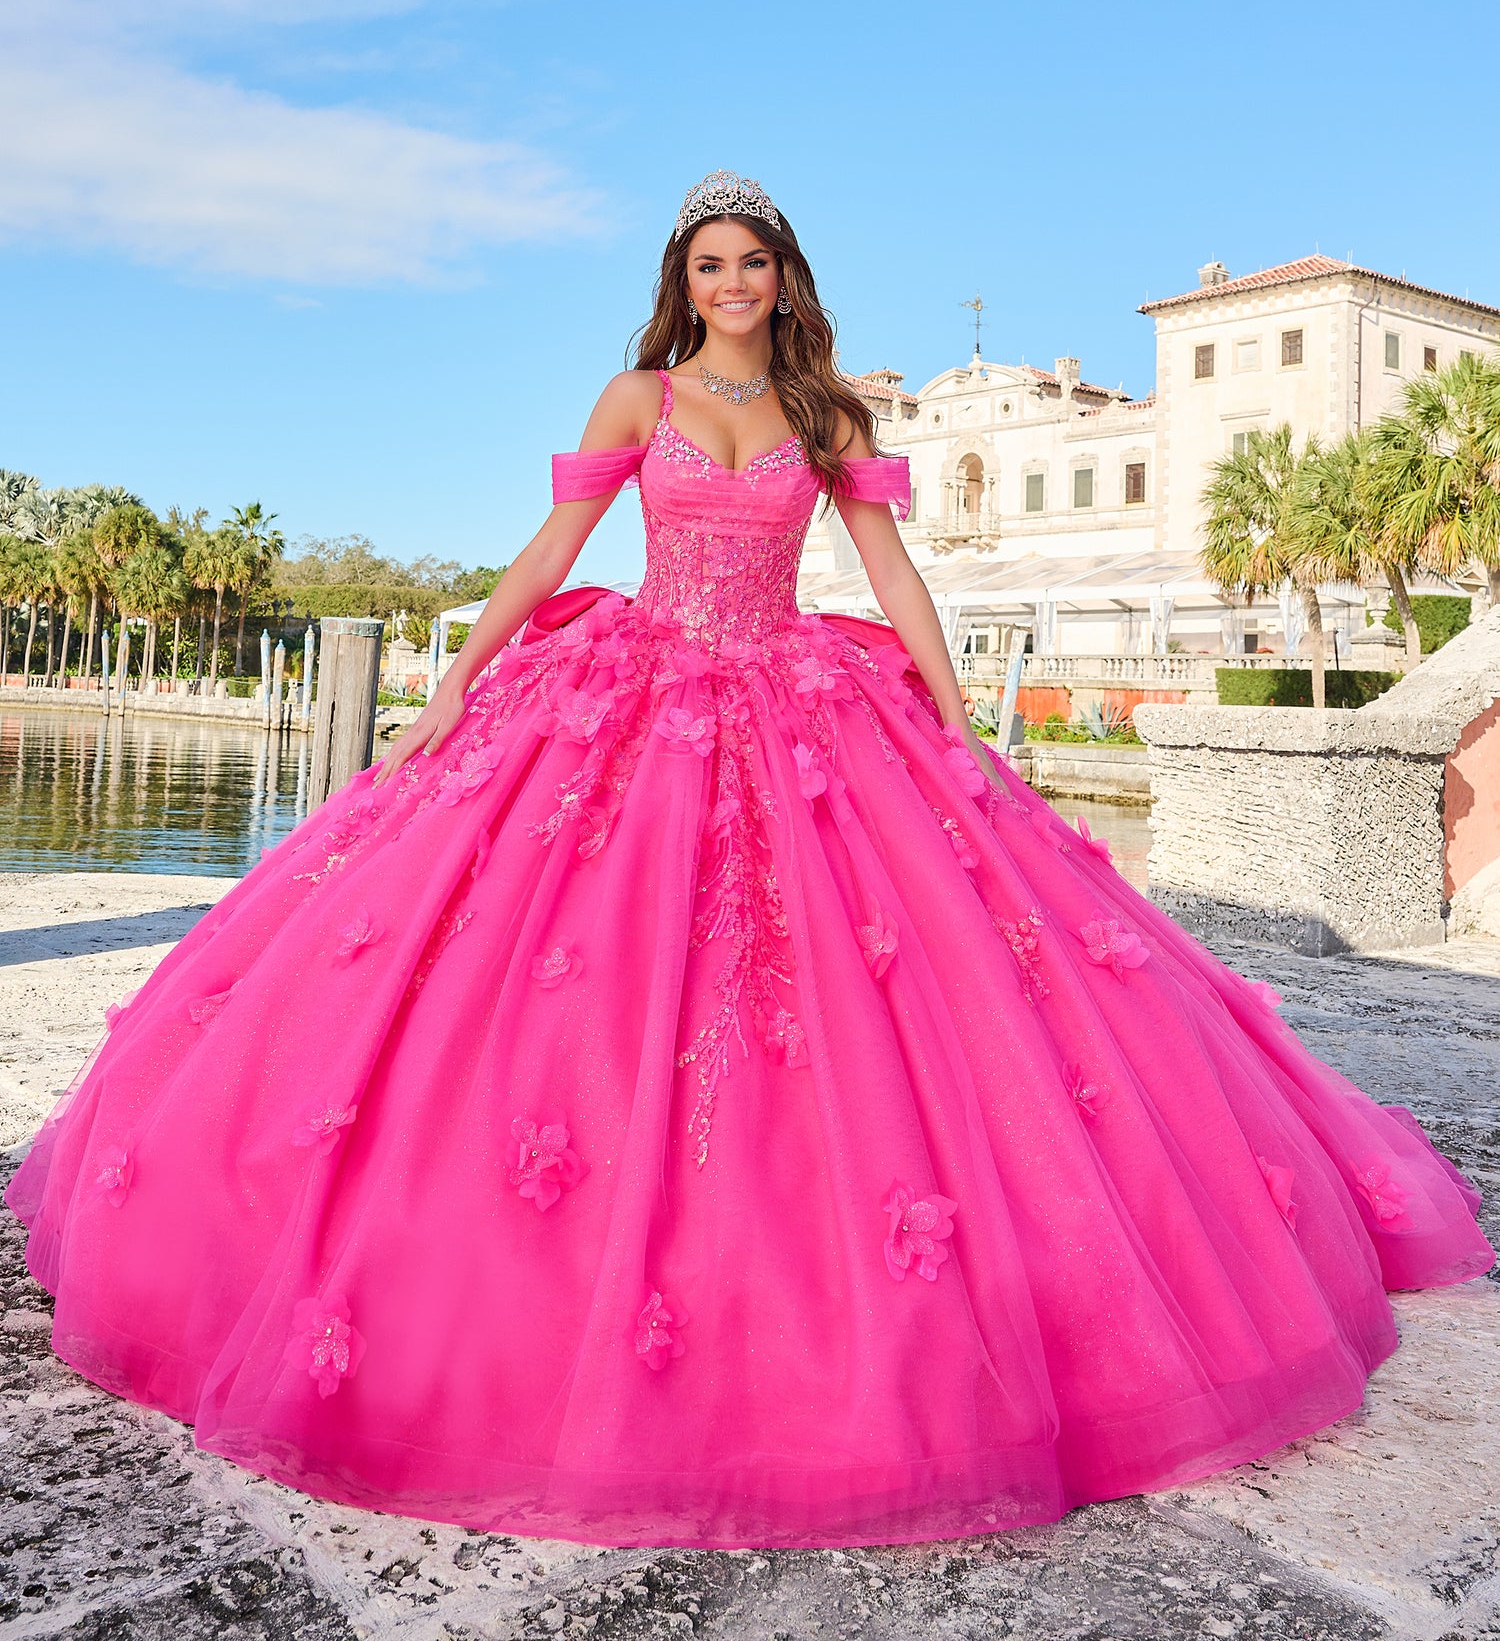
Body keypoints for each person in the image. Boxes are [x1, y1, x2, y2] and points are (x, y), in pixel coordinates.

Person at [7, 172, 1489, 1550]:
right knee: (573, 976)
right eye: (708, 263)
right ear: (685, 279)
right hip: (636, 688)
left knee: (837, 994)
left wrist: (961, 727)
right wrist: (459, 681)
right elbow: (552, 549)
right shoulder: (635, 392)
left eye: (751, 261)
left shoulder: (825, 414)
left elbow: (900, 572)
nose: (730, 281)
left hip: (794, 691)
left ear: (784, 279)